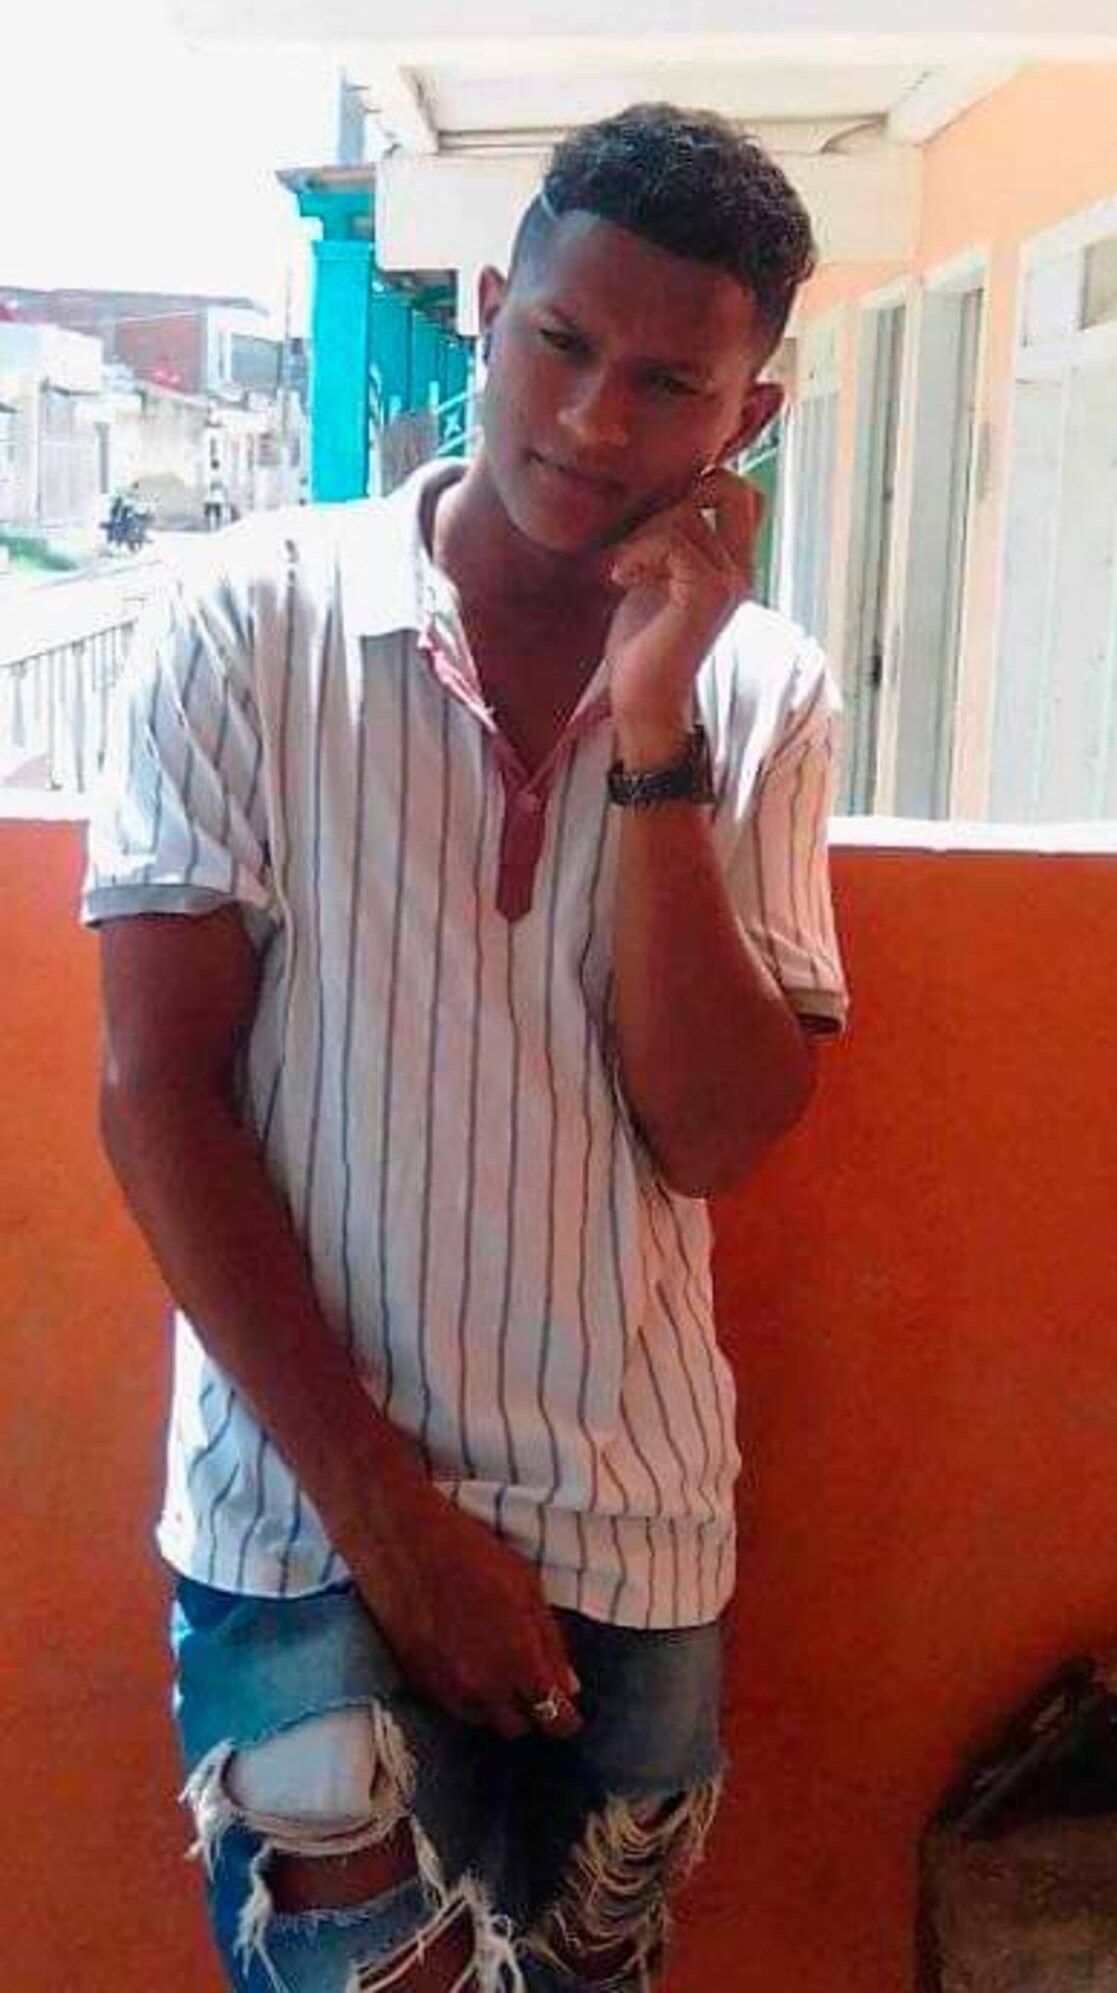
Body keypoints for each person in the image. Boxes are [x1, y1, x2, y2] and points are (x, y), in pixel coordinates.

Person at [82, 103, 850, 1993]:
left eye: (668, 384)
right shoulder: (249, 624)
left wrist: (659, 726)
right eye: (562, 343)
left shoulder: (761, 691)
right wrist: (392, 1527)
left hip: (632, 1526)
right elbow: (159, 1091)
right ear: (493, 311)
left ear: (749, 416)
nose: (592, 419)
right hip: (303, 1513)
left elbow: (713, 1132)